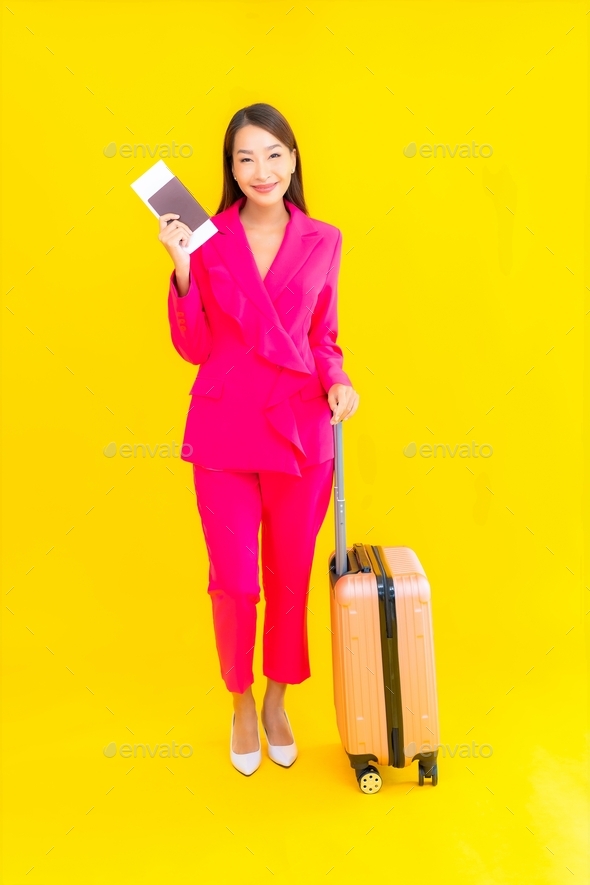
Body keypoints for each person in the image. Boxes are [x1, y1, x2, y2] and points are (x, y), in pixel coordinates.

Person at [159, 103, 359, 776]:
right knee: (236, 580)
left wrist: (340, 381)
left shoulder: (325, 238)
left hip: (301, 430)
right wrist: (183, 269)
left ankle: (277, 697)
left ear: (294, 159)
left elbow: (322, 336)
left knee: (289, 576)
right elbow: (193, 346)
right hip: (223, 430)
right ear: (231, 168)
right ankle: (240, 698)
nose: (261, 170)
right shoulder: (206, 235)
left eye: (274, 154)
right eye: (246, 158)